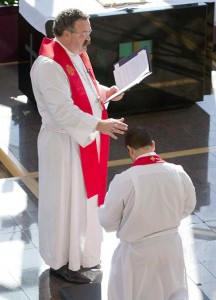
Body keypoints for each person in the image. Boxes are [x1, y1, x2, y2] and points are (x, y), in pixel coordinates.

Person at [30, 8, 128, 284]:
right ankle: (61, 260)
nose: (88, 38)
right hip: (63, 144)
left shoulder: (75, 54)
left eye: (89, 32)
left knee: (82, 200)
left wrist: (106, 92)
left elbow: (87, 87)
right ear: (64, 33)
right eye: (83, 33)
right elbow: (62, 110)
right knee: (63, 203)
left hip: (82, 139)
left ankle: (82, 254)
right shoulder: (49, 65)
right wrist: (99, 125)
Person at [98, 126, 196, 300]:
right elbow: (189, 206)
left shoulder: (124, 180)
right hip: (170, 247)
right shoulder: (178, 172)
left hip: (137, 253)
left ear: (130, 150)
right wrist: (166, 219)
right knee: (174, 293)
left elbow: (107, 222)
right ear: (153, 145)